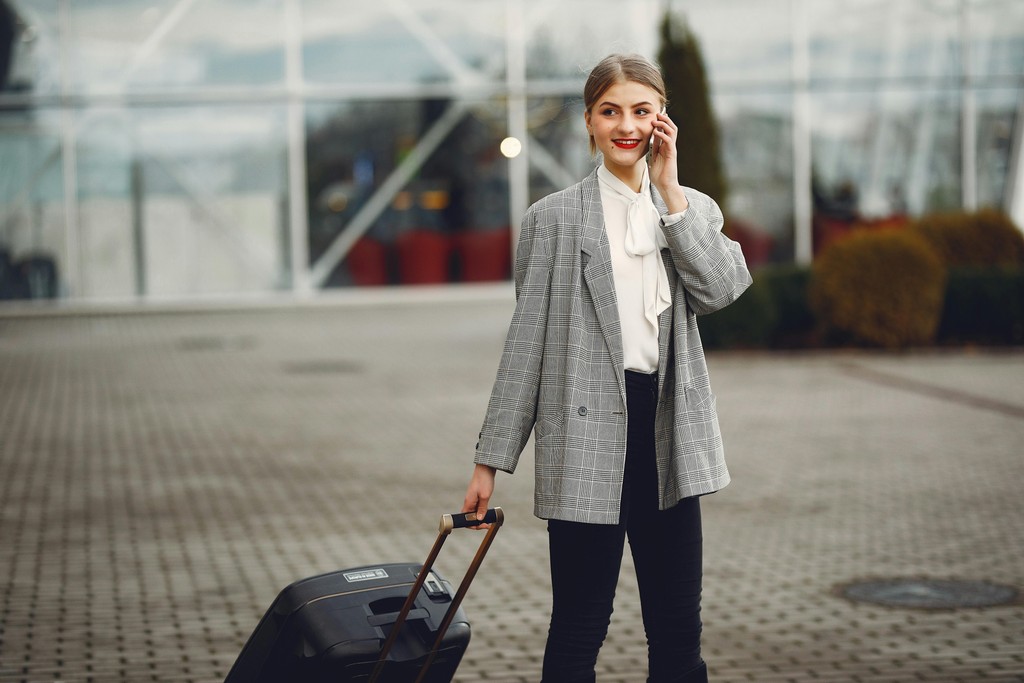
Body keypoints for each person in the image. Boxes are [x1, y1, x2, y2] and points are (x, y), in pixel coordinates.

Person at [462, 53, 752, 683]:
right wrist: (491, 459)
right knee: (577, 627)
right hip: (582, 434)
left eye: (641, 111)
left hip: (666, 434)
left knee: (678, 631)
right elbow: (526, 347)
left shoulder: (690, 209)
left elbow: (724, 290)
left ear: (661, 121)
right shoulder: (552, 220)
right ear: (589, 123)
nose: (627, 125)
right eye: (610, 111)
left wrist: (672, 195)